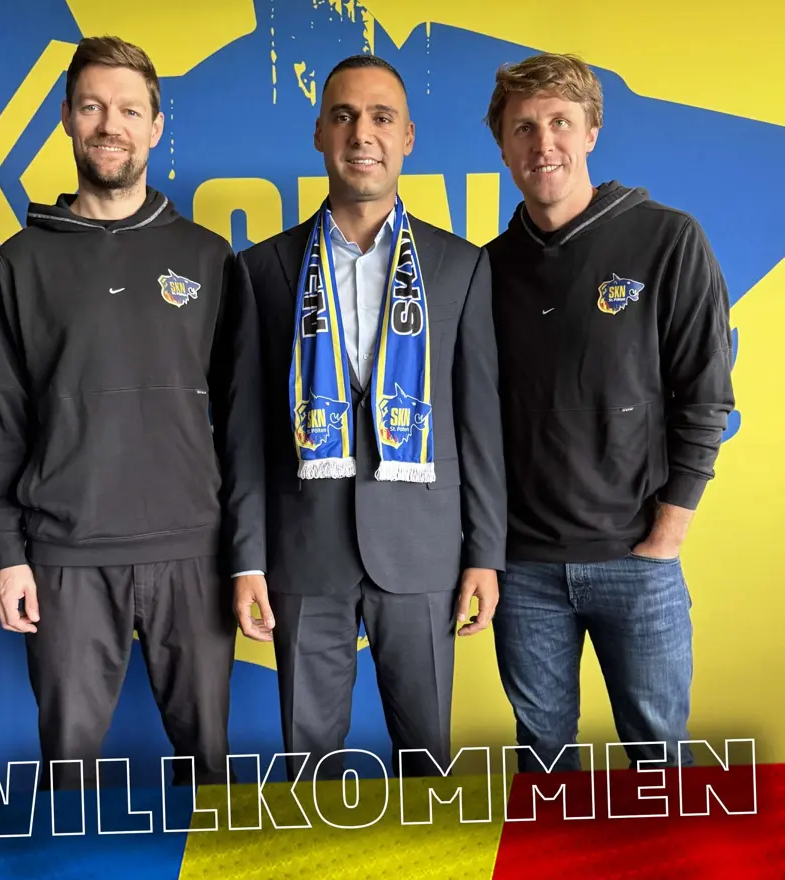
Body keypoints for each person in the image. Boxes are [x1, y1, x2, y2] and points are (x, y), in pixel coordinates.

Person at [0, 36, 262, 790]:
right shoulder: (21, 262)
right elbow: (0, 414)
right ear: (67, 118)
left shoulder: (207, 258)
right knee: (68, 779)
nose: (111, 125)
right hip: (64, 554)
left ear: (156, 127)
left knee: (209, 779)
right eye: (93, 107)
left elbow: (241, 423)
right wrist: (8, 553)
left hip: (193, 553)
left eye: (130, 110)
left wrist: (246, 555)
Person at [232, 54, 507, 782]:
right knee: (307, 774)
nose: (363, 133)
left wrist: (485, 554)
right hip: (302, 554)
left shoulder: (459, 267)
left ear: (407, 137)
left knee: (429, 768)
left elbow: (479, 426)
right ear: (319, 133)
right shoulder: (262, 270)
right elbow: (247, 434)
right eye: (344, 116)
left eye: (382, 117)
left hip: (423, 554)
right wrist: (248, 559)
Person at [482, 52, 735, 772]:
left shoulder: (667, 240)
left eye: (561, 123)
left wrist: (667, 535)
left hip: (637, 561)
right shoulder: (486, 268)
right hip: (524, 570)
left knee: (660, 760)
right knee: (544, 766)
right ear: (503, 146)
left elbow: (705, 395)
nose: (544, 144)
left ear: (591, 132)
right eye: (524, 128)